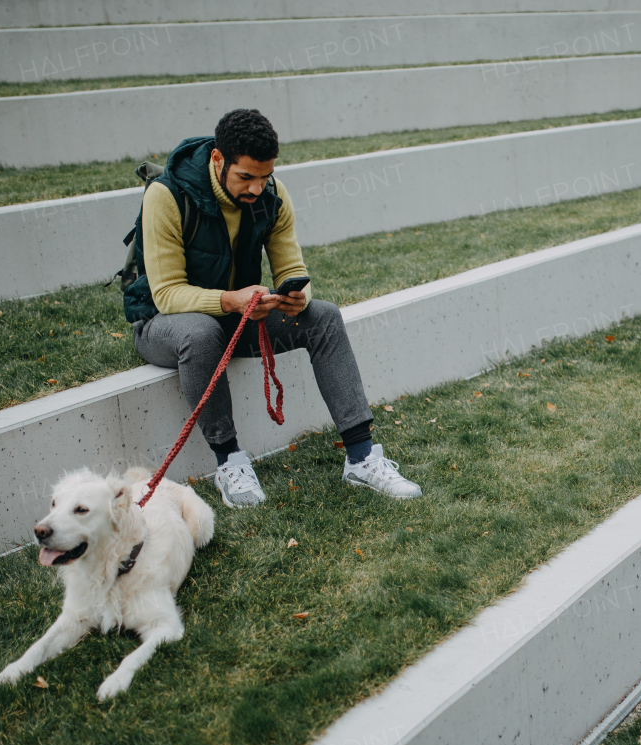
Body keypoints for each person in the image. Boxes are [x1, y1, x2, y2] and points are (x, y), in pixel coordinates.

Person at [124, 108, 421, 507]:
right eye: (246, 177)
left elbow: (293, 267)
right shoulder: (166, 195)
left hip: (237, 314)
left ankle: (362, 457)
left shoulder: (272, 194)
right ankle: (228, 461)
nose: (256, 188)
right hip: (163, 324)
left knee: (324, 317)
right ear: (217, 160)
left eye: (264, 177)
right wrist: (231, 300)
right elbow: (168, 295)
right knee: (200, 332)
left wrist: (297, 296)